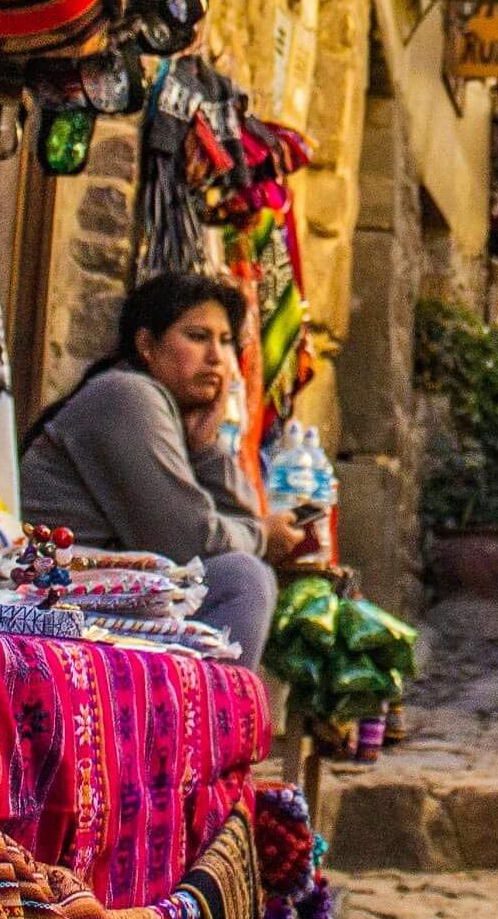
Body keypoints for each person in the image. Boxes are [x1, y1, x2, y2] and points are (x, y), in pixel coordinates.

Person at [19, 269, 310, 670]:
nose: (216, 358)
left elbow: (232, 526)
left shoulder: (161, 408)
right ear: (146, 345)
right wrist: (262, 537)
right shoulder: (127, 396)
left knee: (244, 570)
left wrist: (207, 448)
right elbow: (191, 543)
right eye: (197, 337)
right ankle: (209, 730)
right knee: (242, 579)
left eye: (226, 342)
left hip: (104, 598)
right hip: (54, 600)